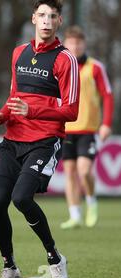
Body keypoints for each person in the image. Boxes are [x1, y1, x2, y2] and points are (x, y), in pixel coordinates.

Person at [0, 0, 79, 278]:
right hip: (13, 139)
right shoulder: (19, 53)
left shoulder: (66, 60)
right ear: (33, 19)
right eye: (42, 15)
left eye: (52, 16)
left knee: (21, 198)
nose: (46, 21)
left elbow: (72, 110)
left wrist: (33, 110)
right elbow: (15, 97)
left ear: (59, 21)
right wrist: (1, 114)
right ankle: (9, 267)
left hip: (44, 142)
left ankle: (55, 260)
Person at [60, 26, 114, 230]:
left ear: (84, 44)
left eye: (79, 43)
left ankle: (91, 201)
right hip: (65, 129)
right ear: (65, 44)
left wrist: (106, 123)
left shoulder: (95, 67)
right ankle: (74, 215)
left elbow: (107, 95)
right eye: (71, 43)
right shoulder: (61, 67)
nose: (75, 46)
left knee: (84, 171)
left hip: (88, 129)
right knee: (70, 172)